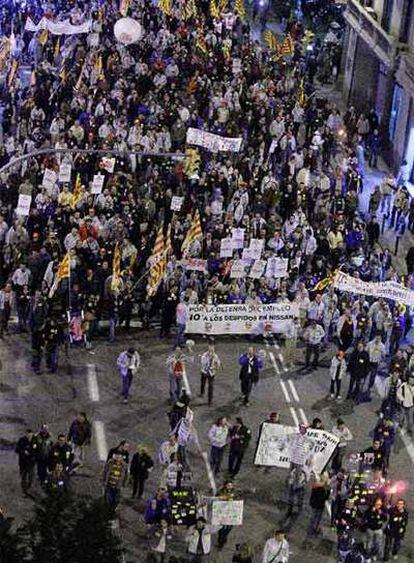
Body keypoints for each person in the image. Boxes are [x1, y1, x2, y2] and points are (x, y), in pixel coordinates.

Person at [15, 429, 38, 494]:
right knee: (23, 477)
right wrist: (23, 452)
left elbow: (38, 450)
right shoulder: (21, 440)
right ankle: (24, 490)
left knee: (31, 477)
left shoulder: (35, 440)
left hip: (31, 463)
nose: (29, 435)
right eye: (27, 434)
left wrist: (34, 457)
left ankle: (28, 487)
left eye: (30, 434)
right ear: (26, 434)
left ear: (32, 434)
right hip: (23, 463)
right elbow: (17, 449)